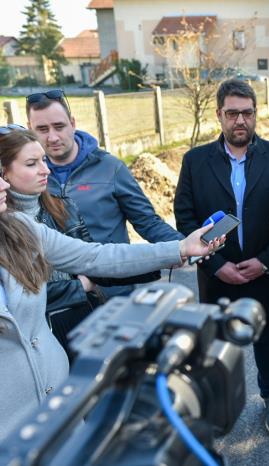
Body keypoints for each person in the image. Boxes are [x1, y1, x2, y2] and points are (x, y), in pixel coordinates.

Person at [0, 130, 224, 440]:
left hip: (60, 404)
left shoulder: (19, 227)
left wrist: (180, 248)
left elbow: (96, 256)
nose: (4, 185)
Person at [174, 79, 269, 435]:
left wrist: (266, 261)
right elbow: (185, 218)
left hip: (268, 273)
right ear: (219, 115)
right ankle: (220, 406)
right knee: (218, 345)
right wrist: (216, 265)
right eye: (232, 113)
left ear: (255, 113)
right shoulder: (195, 161)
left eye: (247, 113)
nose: (240, 120)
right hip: (218, 276)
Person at [26, 89, 184, 299]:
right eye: (42, 129)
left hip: (113, 293)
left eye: (59, 126)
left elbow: (147, 222)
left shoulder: (110, 168)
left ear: (72, 123)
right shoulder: (26, 176)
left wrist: (183, 245)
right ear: (30, 130)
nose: (52, 137)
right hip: (61, 299)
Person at [0, 127, 104, 352]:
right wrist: (78, 286)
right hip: (41, 337)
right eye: (32, 164)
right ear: (4, 172)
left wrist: (171, 253)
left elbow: (93, 258)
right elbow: (18, 297)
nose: (45, 170)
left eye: (44, 160)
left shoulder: (63, 204)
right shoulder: (5, 225)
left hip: (86, 318)